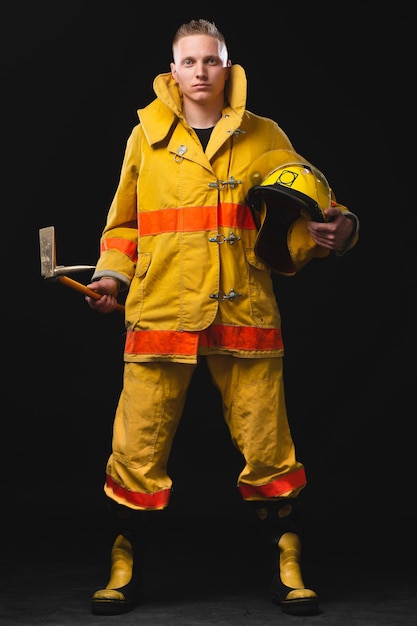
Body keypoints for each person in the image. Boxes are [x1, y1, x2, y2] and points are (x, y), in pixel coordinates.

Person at [86, 18, 359, 617]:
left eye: (212, 60)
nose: (201, 72)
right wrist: (110, 278)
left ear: (227, 67)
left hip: (244, 314)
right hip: (160, 312)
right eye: (190, 61)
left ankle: (287, 555)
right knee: (136, 447)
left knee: (269, 446)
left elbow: (310, 208)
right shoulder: (145, 136)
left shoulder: (265, 135)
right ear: (173, 69)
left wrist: (330, 232)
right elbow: (124, 226)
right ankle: (123, 559)